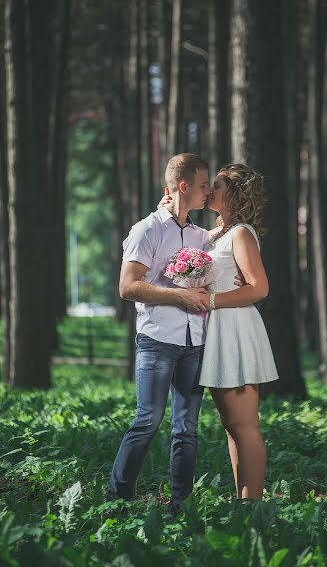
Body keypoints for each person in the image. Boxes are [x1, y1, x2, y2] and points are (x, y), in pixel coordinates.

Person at [107, 153, 240, 516]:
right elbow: (127, 287)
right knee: (147, 420)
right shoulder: (146, 230)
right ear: (183, 187)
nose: (207, 192)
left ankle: (181, 507)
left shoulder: (200, 236)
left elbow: (227, 240)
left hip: (194, 345)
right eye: (202, 186)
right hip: (156, 341)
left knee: (186, 429)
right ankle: (117, 500)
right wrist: (179, 295)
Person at [160, 163, 279, 500]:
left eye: (218, 186)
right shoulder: (216, 233)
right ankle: (244, 502)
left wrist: (211, 299)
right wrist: (166, 207)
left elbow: (259, 288)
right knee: (232, 427)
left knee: (244, 427)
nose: (210, 190)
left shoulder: (240, 233)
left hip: (235, 330)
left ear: (234, 194)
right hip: (216, 330)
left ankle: (253, 505)